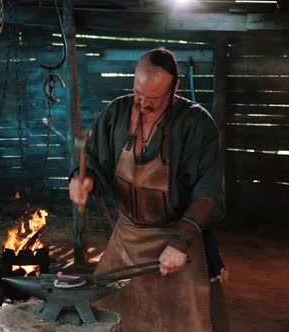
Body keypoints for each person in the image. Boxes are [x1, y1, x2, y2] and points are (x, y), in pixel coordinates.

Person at [69, 48, 229, 332]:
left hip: (178, 239)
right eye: (138, 94)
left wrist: (180, 243)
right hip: (127, 240)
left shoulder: (197, 124)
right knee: (108, 319)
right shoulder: (117, 112)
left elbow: (208, 193)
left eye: (153, 99)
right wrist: (84, 180)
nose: (142, 104)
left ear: (175, 87)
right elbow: (93, 161)